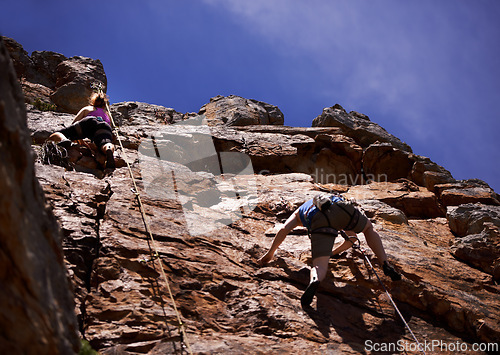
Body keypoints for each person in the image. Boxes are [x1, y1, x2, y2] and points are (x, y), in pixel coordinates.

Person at [258, 193, 401, 308]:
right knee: (369, 228)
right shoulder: (329, 199)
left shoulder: (298, 214)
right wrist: (333, 253)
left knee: (319, 265)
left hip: (320, 220)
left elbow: (284, 229)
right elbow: (352, 240)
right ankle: (385, 263)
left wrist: (270, 253)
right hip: (343, 208)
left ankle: (315, 279)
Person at [47, 92, 115, 170]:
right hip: (105, 126)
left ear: (93, 101)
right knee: (106, 143)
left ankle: (64, 139)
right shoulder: (107, 114)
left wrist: (79, 139)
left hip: (89, 122)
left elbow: (74, 123)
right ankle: (108, 149)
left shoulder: (88, 108)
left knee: (59, 133)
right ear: (104, 105)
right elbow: (108, 128)